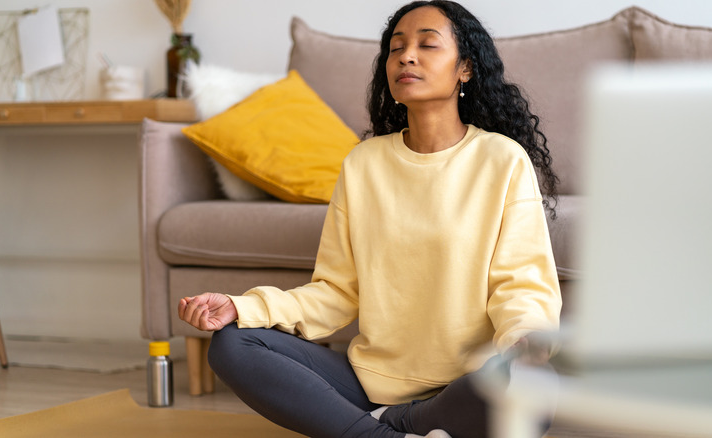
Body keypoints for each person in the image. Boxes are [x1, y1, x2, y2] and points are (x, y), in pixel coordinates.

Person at [178, 1, 561, 437]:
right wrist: (241, 307)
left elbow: (522, 283)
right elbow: (336, 293)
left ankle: (388, 427)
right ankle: (382, 430)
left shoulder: (502, 160)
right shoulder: (364, 164)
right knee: (233, 344)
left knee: (535, 385)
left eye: (427, 45)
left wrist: (525, 337)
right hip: (369, 383)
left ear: (466, 69)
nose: (406, 56)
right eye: (396, 48)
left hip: (465, 384)